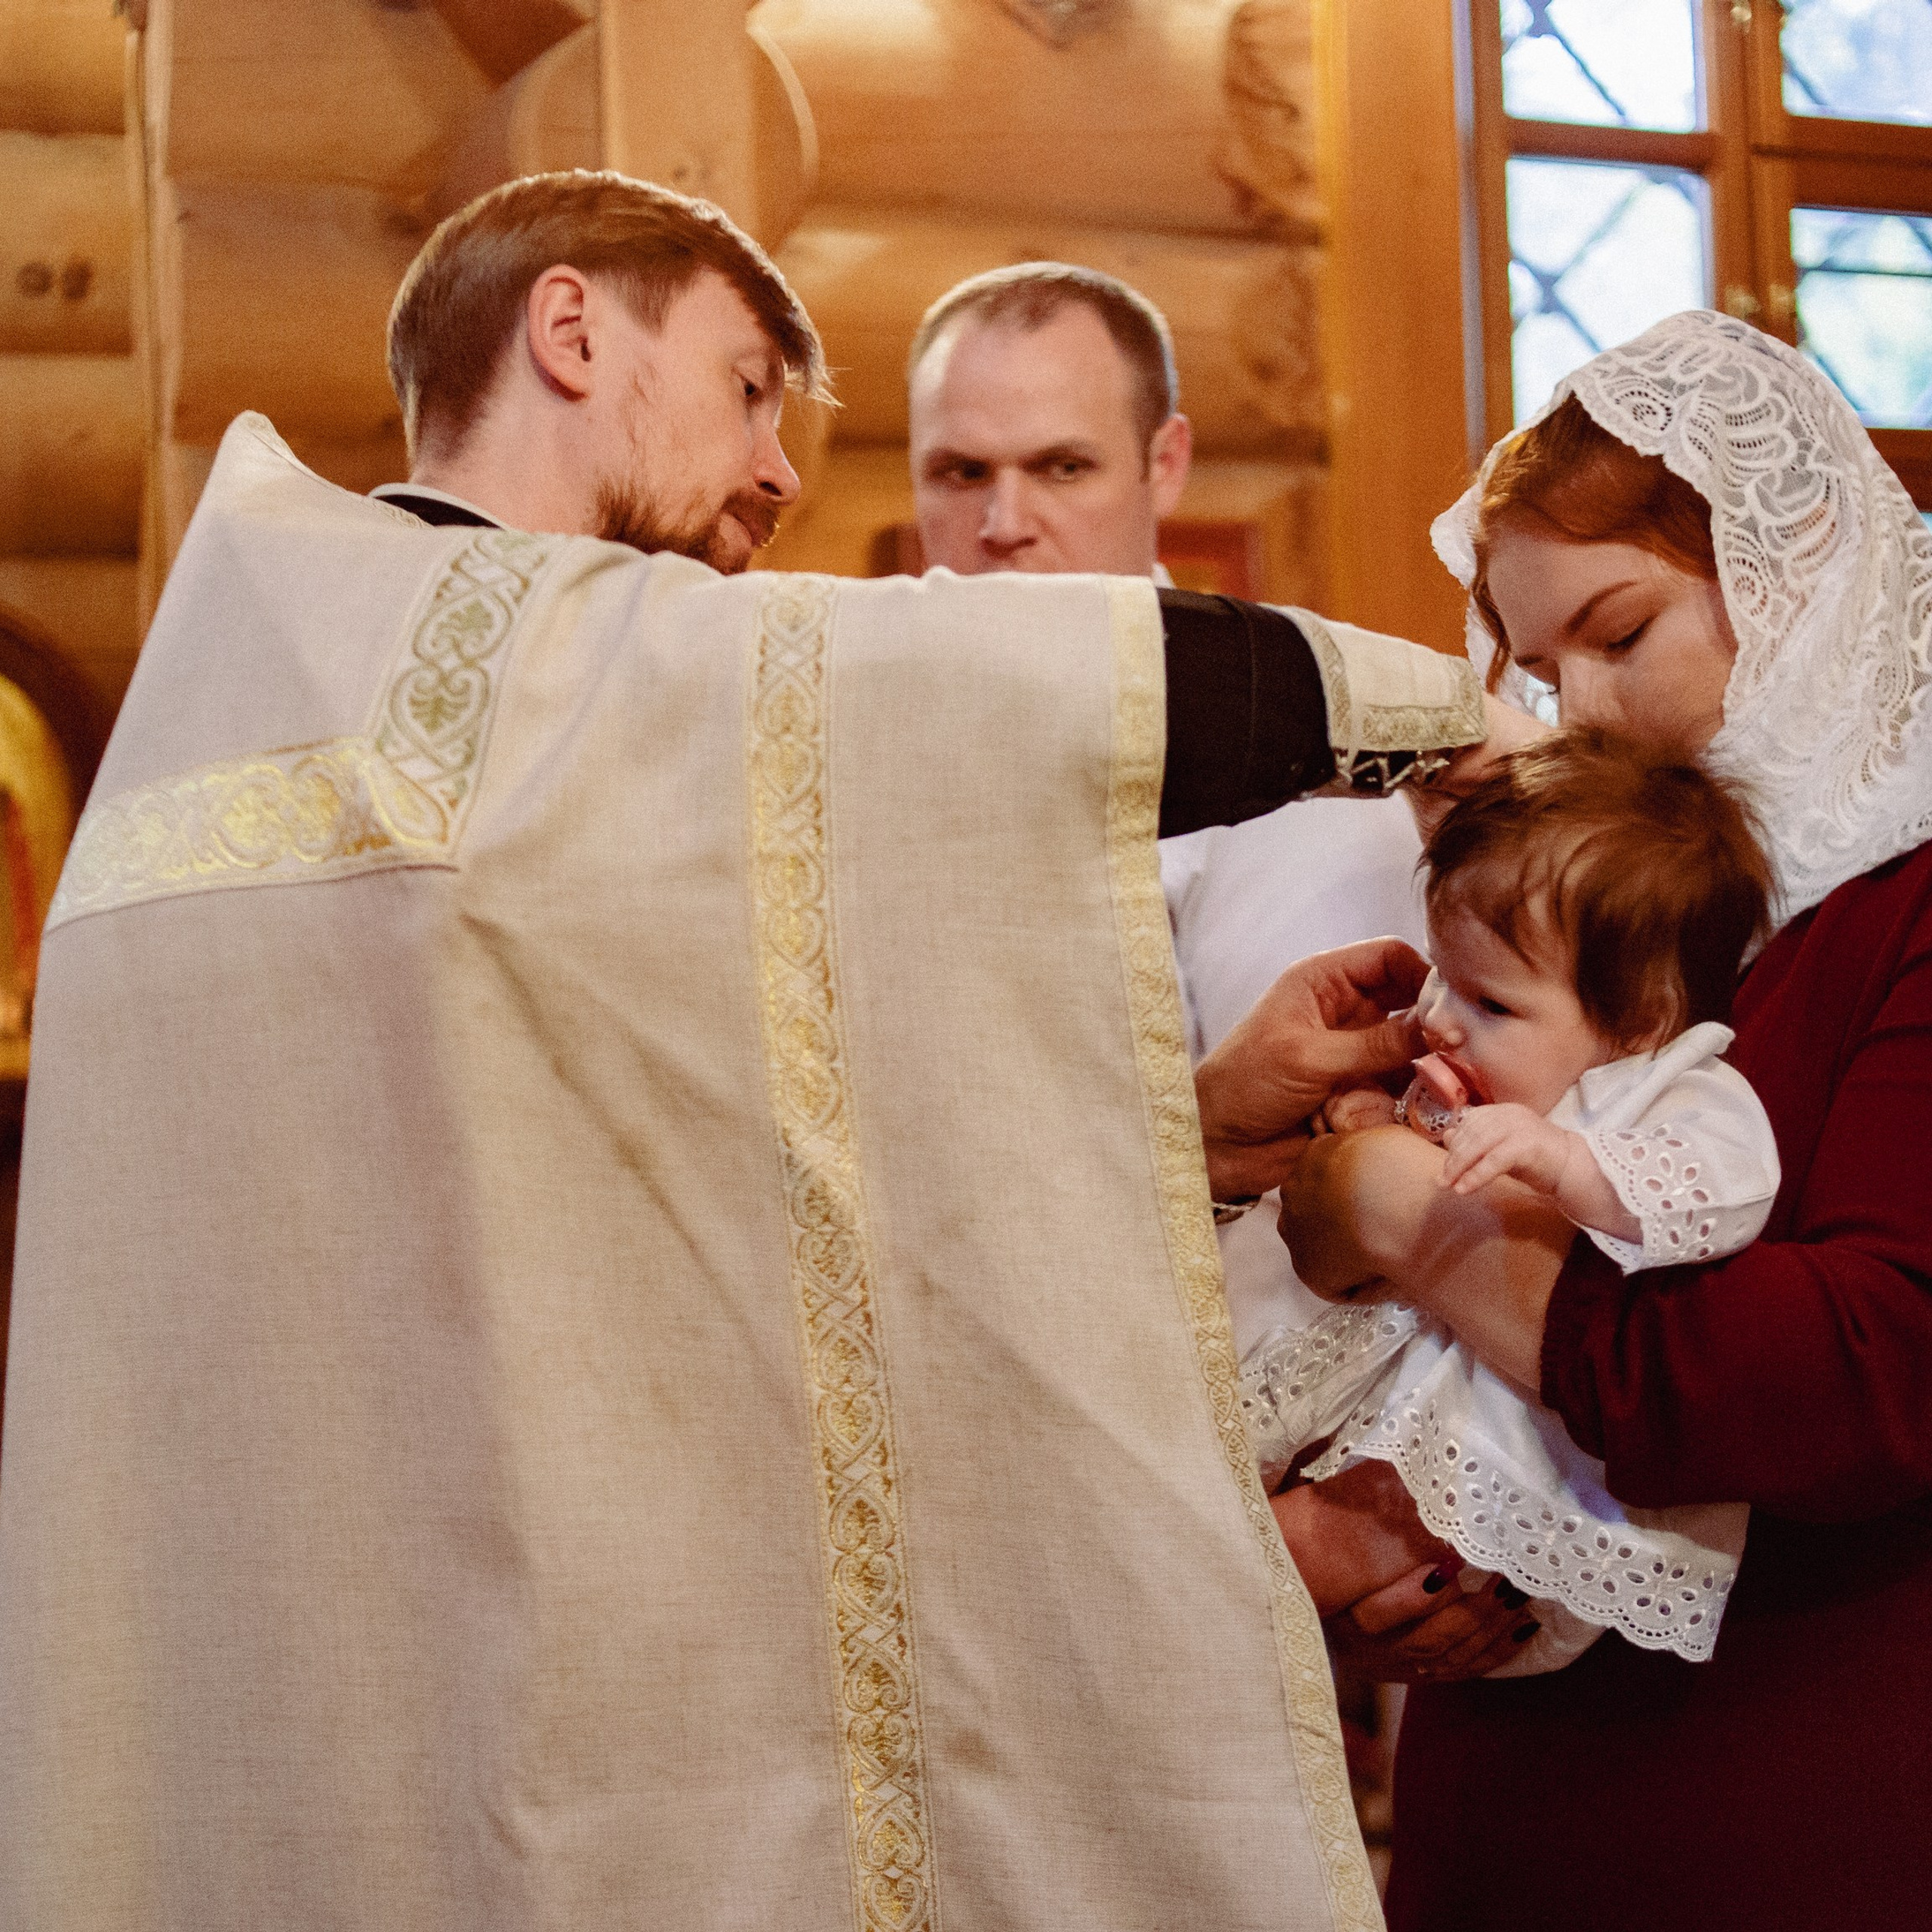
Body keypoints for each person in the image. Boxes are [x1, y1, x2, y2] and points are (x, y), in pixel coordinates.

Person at [0, 171, 1504, 1930]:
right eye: (740, 385)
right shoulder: (531, 662)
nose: (784, 473)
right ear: (571, 332)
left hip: (334, 1654)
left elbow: (716, 1172)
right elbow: (989, 700)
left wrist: (1180, 1126)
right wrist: (1464, 721)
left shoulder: (279, 696)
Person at [1254, 311, 1932, 1927]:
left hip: (1782, 1797)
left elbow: (1867, 1364)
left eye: (1620, 630)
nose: (1590, 709)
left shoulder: (1903, 897)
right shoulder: (1627, 892)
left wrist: (1410, 1224)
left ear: (1794, 560)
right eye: (1547, 667)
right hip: (1516, 1775)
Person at [906, 263, 1434, 1359]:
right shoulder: (862, 735)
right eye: (960, 471)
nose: (1004, 522)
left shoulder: (1294, 760)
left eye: (1062, 466)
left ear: (1167, 462)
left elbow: (1323, 1192)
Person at [1243, 730, 1779, 1678]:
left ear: (1641, 1021)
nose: (1442, 1016)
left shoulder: (1677, 1090)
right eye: (1444, 974)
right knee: (1228, 1484)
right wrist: (1376, 1115)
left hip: (1528, 1491)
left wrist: (1571, 1164)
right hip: (1423, 1428)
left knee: (1261, 1553)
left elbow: (1728, 1192)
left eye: (1489, 1002)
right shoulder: (1505, 1077)